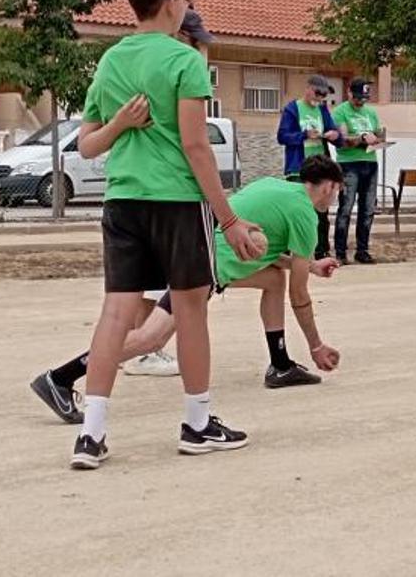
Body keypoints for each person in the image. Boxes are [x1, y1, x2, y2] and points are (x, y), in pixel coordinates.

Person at [68, 0, 261, 470]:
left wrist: (118, 124)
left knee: (115, 312)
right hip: (176, 201)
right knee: (191, 308)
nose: (188, 10)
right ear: (173, 0)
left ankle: (91, 434)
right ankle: (197, 424)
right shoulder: (184, 61)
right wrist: (229, 219)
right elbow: (197, 146)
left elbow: (87, 145)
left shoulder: (109, 62)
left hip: (123, 199)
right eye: (188, 1)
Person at [31, 156, 345, 424]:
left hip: (198, 250)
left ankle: (280, 365)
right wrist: (316, 345)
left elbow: (264, 250)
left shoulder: (276, 187)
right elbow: (300, 295)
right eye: (337, 192)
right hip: (204, 264)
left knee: (274, 279)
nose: (335, 198)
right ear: (329, 186)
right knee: (150, 338)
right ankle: (60, 377)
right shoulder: (305, 212)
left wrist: (313, 266)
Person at [122, 6, 217, 378]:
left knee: (140, 286)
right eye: (199, 43)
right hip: (171, 192)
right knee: (171, 291)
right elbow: (195, 147)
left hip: (131, 191)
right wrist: (225, 213)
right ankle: (141, 351)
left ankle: (144, 349)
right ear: (182, 36)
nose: (202, 52)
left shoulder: (126, 63)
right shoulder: (182, 69)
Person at [278, 75, 342, 260]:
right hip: (298, 169)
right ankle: (290, 251)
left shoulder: (322, 110)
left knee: (321, 211)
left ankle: (321, 249)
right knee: (297, 210)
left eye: (323, 95)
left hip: (320, 170)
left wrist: (334, 135)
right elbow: (282, 136)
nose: (320, 98)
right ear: (308, 88)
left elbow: (338, 136)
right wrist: (304, 135)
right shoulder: (293, 108)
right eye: (317, 93)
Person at [333, 77, 384, 264]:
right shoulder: (340, 112)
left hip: (370, 162)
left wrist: (378, 138)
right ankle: (340, 252)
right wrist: (363, 138)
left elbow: (379, 132)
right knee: (345, 208)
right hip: (349, 163)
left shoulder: (371, 113)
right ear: (349, 93)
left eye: (364, 98)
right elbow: (343, 139)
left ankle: (362, 250)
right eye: (357, 98)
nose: (361, 101)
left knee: (368, 209)